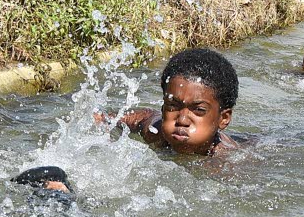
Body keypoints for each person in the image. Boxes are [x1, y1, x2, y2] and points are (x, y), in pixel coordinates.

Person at [98, 47, 243, 158]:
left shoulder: (227, 160)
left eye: (198, 110)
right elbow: (141, 117)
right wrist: (104, 119)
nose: (182, 120)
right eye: (173, 106)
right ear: (163, 108)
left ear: (223, 119)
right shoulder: (155, 131)